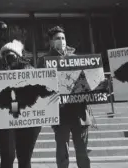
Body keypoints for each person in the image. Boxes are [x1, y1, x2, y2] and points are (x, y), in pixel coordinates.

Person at [38, 26, 91, 168]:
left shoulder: (76, 59)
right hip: (59, 113)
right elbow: (40, 87)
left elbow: (88, 83)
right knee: (62, 153)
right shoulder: (43, 62)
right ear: (50, 41)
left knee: (83, 153)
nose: (61, 41)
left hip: (79, 111)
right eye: (57, 39)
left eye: (63, 38)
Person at [0, 40, 42, 168]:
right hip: (5, 121)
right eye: (5, 55)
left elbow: (38, 93)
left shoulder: (31, 70)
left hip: (28, 120)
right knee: (7, 157)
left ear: (18, 55)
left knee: (25, 159)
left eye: (11, 54)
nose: (8, 57)